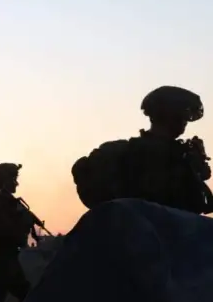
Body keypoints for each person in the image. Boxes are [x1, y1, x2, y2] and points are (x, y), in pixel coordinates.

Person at [73, 85, 211, 214]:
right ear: (169, 115)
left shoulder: (180, 155)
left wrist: (195, 169)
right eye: (182, 115)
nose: (185, 121)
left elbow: (197, 206)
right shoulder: (127, 153)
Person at [0, 163, 38, 302]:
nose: (16, 183)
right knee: (28, 299)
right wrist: (23, 222)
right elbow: (6, 231)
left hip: (5, 260)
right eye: (13, 179)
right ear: (4, 181)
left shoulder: (8, 203)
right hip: (3, 260)